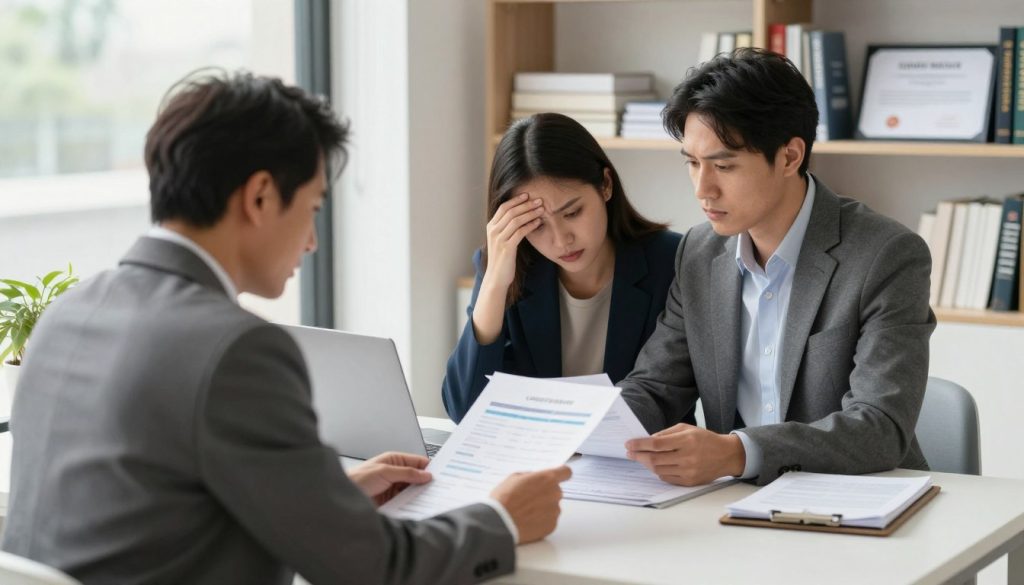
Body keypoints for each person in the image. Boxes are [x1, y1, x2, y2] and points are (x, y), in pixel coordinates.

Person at [1, 70, 570, 585]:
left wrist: (326, 500)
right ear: (260, 195)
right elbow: (374, 567)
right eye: (314, 208)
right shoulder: (235, 348)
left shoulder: (69, 312)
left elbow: (150, 521)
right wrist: (501, 518)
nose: (312, 241)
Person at [619, 48, 936, 487]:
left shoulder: (887, 255)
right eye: (692, 163)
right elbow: (656, 387)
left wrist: (738, 452)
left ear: (789, 157)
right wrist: (585, 430)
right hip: (734, 509)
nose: (702, 189)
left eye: (723, 166)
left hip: (861, 501)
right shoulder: (698, 252)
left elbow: (880, 427)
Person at [443, 113, 691, 424]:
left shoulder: (672, 261)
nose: (561, 240)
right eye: (536, 225)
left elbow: (665, 397)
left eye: (572, 212)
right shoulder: (506, 267)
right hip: (540, 465)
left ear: (605, 185)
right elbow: (464, 409)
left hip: (638, 464)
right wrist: (494, 283)